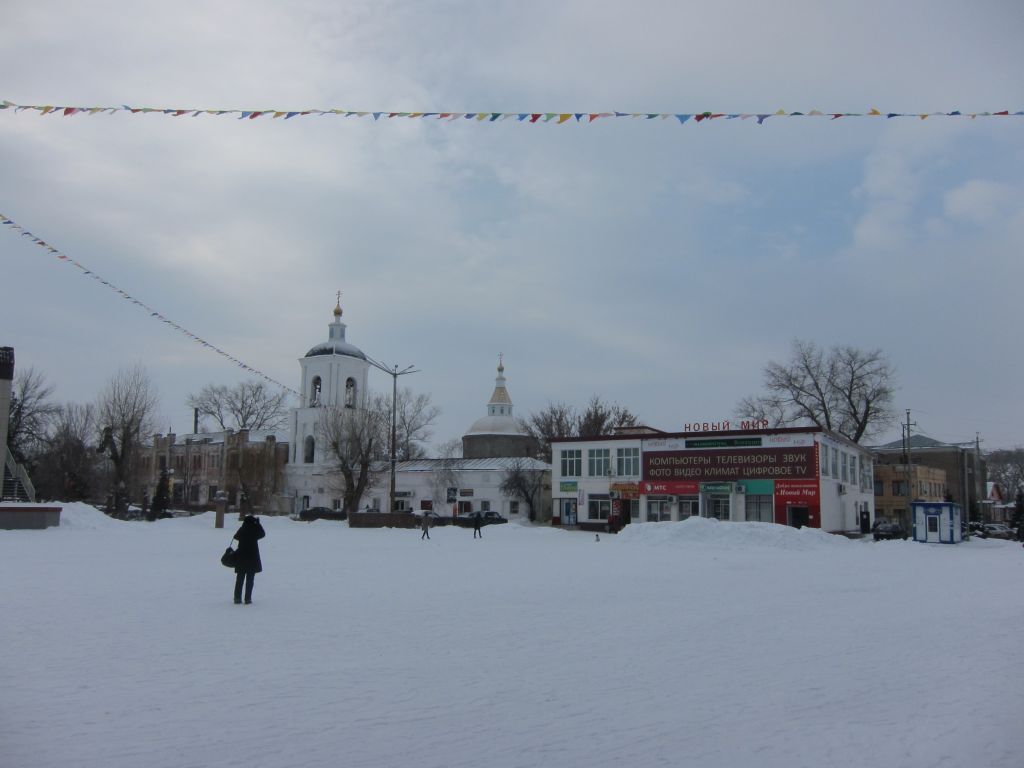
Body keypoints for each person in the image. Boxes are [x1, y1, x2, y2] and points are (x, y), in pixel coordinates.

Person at [232, 514, 265, 605]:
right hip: (252, 558)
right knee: (250, 580)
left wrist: (242, 527)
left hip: (241, 558)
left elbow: (235, 536)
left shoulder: (242, 530)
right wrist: (258, 524)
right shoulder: (255, 530)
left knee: (239, 579)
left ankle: (237, 598)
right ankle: (247, 599)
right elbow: (262, 534)